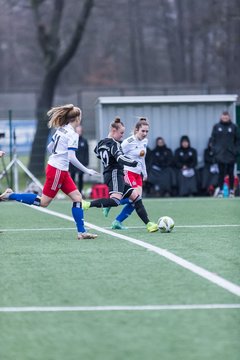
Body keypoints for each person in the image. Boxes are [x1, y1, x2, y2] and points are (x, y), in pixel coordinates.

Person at [0, 104, 98, 240]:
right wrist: (87, 170)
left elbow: (49, 147)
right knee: (44, 202)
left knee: (77, 197)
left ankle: (81, 232)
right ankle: (11, 195)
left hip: (58, 169)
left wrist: (58, 156)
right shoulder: (72, 134)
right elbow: (71, 157)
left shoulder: (61, 130)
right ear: (77, 118)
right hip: (57, 170)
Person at [82, 117, 158, 233]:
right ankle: (87, 204)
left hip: (112, 173)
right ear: (113, 130)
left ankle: (149, 224)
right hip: (115, 174)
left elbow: (97, 153)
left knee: (136, 198)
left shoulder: (101, 143)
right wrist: (132, 163)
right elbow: (120, 157)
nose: (122, 136)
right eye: (121, 133)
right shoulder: (115, 144)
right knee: (115, 201)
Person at [103, 117, 150, 229]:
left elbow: (142, 158)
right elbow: (117, 154)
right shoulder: (128, 142)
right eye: (143, 131)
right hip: (128, 171)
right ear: (136, 130)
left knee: (135, 201)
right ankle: (110, 203)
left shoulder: (145, 141)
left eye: (147, 131)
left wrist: (145, 172)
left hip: (138, 174)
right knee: (135, 198)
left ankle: (117, 221)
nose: (145, 133)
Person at [211, 111, 240, 198]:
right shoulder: (216, 127)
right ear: (221, 117)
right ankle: (220, 191)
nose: (225, 119)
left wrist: (236, 151)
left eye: (226, 118)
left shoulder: (234, 127)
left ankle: (231, 191)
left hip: (231, 154)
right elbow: (213, 139)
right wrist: (215, 150)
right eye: (223, 118)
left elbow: (238, 140)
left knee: (231, 173)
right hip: (220, 154)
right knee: (221, 173)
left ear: (229, 118)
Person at [69, 124, 89, 194]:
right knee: (72, 177)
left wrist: (86, 162)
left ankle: (80, 192)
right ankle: (72, 193)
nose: (78, 132)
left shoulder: (84, 141)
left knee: (80, 178)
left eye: (79, 131)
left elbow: (86, 152)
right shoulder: (72, 140)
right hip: (72, 163)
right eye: (77, 131)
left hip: (81, 163)